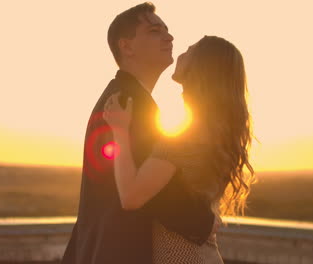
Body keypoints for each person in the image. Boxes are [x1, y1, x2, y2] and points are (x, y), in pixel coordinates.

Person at [61, 3, 217, 264]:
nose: (169, 37)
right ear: (127, 46)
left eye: (167, 30)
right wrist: (206, 222)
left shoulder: (121, 97)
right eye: (155, 31)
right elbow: (153, 194)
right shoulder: (130, 103)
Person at [103, 35, 256, 263]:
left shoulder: (186, 138)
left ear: (202, 68)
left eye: (189, 51)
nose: (181, 54)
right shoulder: (215, 134)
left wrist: (120, 131)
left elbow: (131, 196)